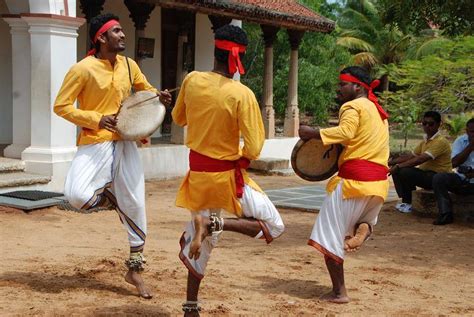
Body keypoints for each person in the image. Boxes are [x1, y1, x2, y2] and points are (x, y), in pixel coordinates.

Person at [54, 13, 172, 299]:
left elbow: (145, 93)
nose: (123, 35)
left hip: (126, 142)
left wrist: (160, 98)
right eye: (117, 31)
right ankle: (111, 199)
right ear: (101, 37)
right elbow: (61, 106)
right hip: (95, 141)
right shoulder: (82, 69)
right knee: (76, 196)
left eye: (122, 30)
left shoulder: (129, 66)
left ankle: (135, 270)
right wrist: (96, 119)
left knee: (136, 204)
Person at [171, 24, 284, 315]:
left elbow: (179, 118)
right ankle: (215, 225)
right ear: (238, 59)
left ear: (215, 51)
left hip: (197, 178)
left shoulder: (192, 80)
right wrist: (240, 156)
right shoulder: (242, 94)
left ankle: (190, 308)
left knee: (202, 249)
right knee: (274, 226)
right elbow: (256, 147)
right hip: (226, 180)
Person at [299, 66, 390, 303]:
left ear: (358, 86)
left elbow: (347, 132)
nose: (339, 89)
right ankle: (363, 230)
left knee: (330, 235)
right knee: (367, 220)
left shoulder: (353, 106)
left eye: (343, 84)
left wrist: (313, 132)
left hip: (354, 182)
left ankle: (339, 293)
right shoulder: (378, 111)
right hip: (379, 184)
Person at [389, 111, 452, 213]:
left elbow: (420, 159)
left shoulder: (441, 142)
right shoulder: (425, 140)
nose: (427, 126)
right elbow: (410, 156)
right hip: (427, 175)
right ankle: (406, 201)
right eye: (424, 123)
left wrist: (398, 166)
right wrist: (389, 163)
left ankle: (408, 202)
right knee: (399, 169)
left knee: (403, 170)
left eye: (431, 124)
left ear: (438, 124)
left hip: (438, 177)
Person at [432, 118, 474, 225]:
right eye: (472, 131)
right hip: (462, 180)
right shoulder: (460, 141)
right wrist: (470, 146)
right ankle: (445, 214)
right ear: (467, 131)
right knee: (439, 178)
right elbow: (454, 163)